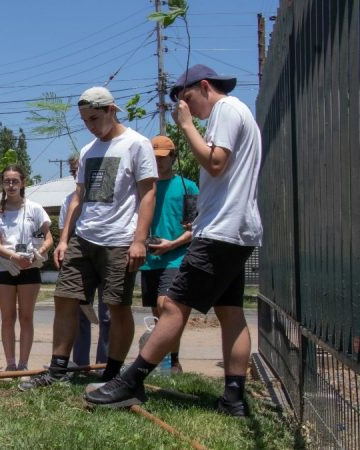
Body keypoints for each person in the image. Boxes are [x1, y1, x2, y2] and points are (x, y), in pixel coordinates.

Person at [87, 65, 262, 417]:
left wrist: (186, 126)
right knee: (230, 313)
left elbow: (215, 163)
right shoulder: (239, 112)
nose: (187, 107)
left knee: (173, 307)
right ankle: (233, 397)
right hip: (236, 230)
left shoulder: (226, 110)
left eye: (187, 99)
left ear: (205, 86)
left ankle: (130, 381)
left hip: (221, 232)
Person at [20, 86, 157, 390]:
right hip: (84, 238)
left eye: (94, 118)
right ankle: (57, 370)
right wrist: (65, 238)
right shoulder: (88, 150)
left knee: (116, 306)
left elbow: (148, 193)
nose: (90, 126)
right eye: (85, 121)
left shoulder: (137, 144)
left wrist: (139, 240)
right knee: (65, 298)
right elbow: (79, 198)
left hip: (120, 239)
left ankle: (112, 374)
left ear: (111, 110)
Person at [138, 135, 199, 374]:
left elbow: (195, 228)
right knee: (156, 311)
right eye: (154, 158)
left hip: (176, 256)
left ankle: (173, 361)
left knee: (167, 306)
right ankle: (161, 362)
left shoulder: (188, 186)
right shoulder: (143, 187)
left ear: (173, 157)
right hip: (149, 259)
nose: (158, 162)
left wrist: (171, 244)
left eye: (163, 157)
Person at [0, 165, 53, 371]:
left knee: (26, 316)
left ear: (23, 183)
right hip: (5, 267)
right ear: (2, 183)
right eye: (7, 181)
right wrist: (14, 256)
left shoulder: (35, 208)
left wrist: (36, 254)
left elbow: (48, 238)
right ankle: (10, 363)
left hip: (29, 268)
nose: (11, 185)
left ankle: (23, 364)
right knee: (7, 317)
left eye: (15, 181)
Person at [59, 157, 110, 368]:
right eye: (72, 171)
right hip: (81, 261)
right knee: (81, 313)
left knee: (108, 315)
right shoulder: (69, 201)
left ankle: (104, 364)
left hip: (105, 256)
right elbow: (66, 230)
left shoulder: (105, 197)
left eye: (78, 169)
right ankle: (80, 364)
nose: (75, 173)